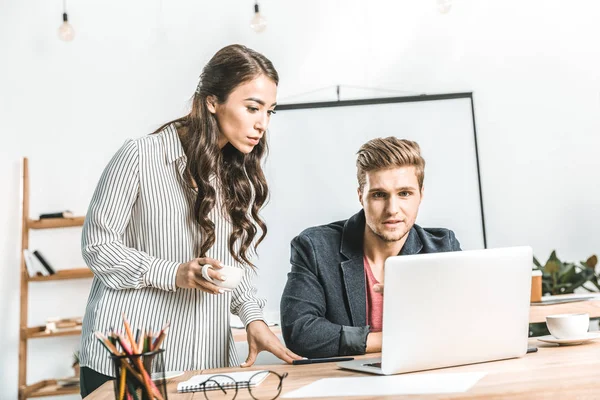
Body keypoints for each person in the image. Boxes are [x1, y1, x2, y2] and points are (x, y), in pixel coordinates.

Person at [79, 44, 301, 397]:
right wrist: (175, 273)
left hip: (206, 358)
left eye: (270, 112)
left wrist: (252, 317)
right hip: (133, 358)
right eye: (252, 108)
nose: (262, 124)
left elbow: (225, 264)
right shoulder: (140, 155)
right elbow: (97, 246)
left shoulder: (231, 172)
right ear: (213, 101)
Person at [280, 137, 461, 358]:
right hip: (346, 383)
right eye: (378, 195)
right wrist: (392, 339)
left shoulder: (443, 248)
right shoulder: (316, 247)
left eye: (404, 193)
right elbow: (301, 332)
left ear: (421, 195)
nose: (392, 209)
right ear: (361, 196)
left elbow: (469, 322)